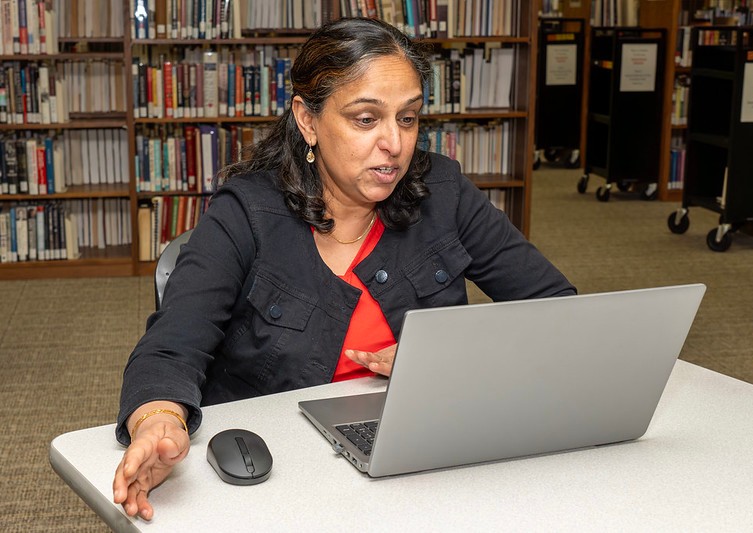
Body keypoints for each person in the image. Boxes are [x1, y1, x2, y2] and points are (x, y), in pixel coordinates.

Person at [113, 17, 576, 520]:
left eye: (407, 118)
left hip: (424, 456)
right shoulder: (246, 212)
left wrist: (447, 360)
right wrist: (158, 420)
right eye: (366, 119)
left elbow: (558, 312)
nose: (395, 144)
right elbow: (170, 348)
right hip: (281, 476)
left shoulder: (445, 193)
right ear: (308, 120)